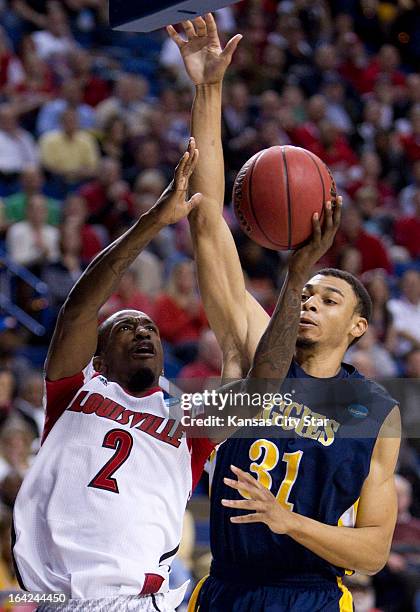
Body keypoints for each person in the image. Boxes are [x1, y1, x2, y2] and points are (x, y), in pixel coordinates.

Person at [11, 139, 327, 611]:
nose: (142, 330)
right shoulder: (73, 390)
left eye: (150, 328)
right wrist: (153, 221)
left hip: (147, 601)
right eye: (125, 327)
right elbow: (79, 311)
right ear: (98, 360)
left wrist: (297, 277)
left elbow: (263, 386)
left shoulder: (188, 417)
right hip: (62, 598)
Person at [168, 15, 401, 612]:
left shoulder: (375, 411)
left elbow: (373, 552)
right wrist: (208, 88)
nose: (310, 303)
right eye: (307, 292)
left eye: (330, 299)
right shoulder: (252, 341)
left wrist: (287, 521)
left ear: (358, 328)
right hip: (226, 588)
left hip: (314, 596)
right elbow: (204, 217)